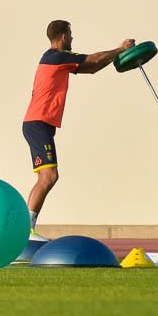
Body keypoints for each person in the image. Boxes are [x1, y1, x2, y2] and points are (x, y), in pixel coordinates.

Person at [23, 20, 134, 241]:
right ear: (63, 36)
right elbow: (92, 59)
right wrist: (120, 49)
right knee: (49, 176)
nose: (73, 39)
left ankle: (27, 228)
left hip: (39, 124)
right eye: (71, 35)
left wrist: (115, 57)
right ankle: (26, 230)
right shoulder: (55, 56)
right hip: (38, 123)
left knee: (46, 177)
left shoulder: (58, 61)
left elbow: (91, 68)